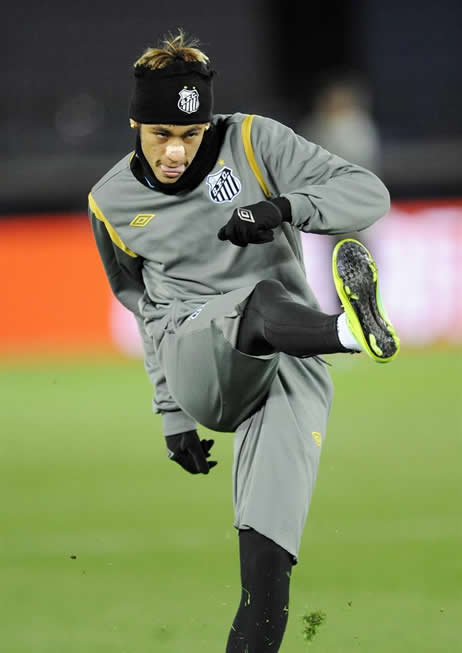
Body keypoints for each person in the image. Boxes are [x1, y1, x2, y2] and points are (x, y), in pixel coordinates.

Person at [88, 30, 399, 653]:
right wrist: (172, 412)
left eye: (191, 135)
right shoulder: (110, 203)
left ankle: (336, 331)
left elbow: (370, 194)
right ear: (134, 125)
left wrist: (284, 208)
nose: (175, 151)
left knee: (265, 579)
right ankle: (347, 329)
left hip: (287, 361)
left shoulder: (255, 141)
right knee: (259, 301)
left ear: (208, 124)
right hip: (196, 354)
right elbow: (144, 307)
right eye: (160, 136)